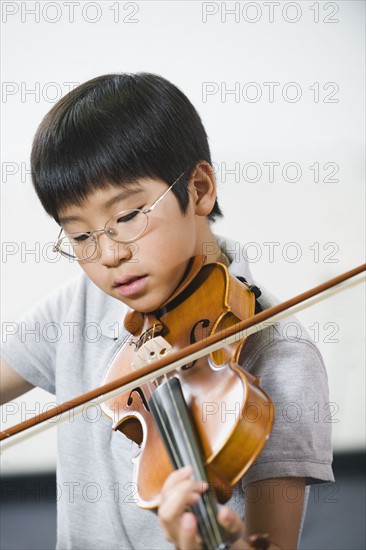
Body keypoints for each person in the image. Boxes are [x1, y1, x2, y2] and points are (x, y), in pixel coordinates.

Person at [1, 72, 334, 549]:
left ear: (198, 189)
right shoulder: (80, 302)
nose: (109, 255)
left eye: (128, 217)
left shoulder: (280, 357)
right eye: (80, 236)